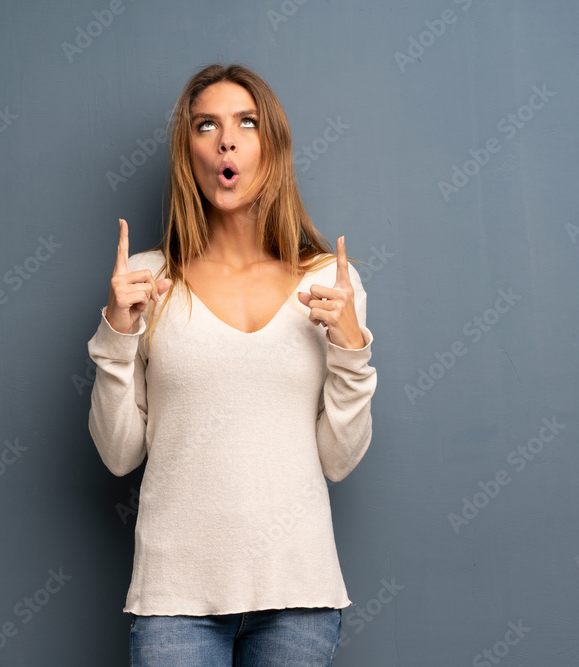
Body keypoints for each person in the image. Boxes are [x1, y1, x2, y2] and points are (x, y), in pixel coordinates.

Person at [86, 62, 377, 666]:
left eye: (246, 122)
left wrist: (352, 348)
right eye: (206, 125)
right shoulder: (148, 279)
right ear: (188, 151)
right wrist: (116, 333)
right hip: (175, 600)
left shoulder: (329, 284)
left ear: (271, 145)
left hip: (299, 594)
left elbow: (339, 460)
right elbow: (119, 454)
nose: (227, 139)